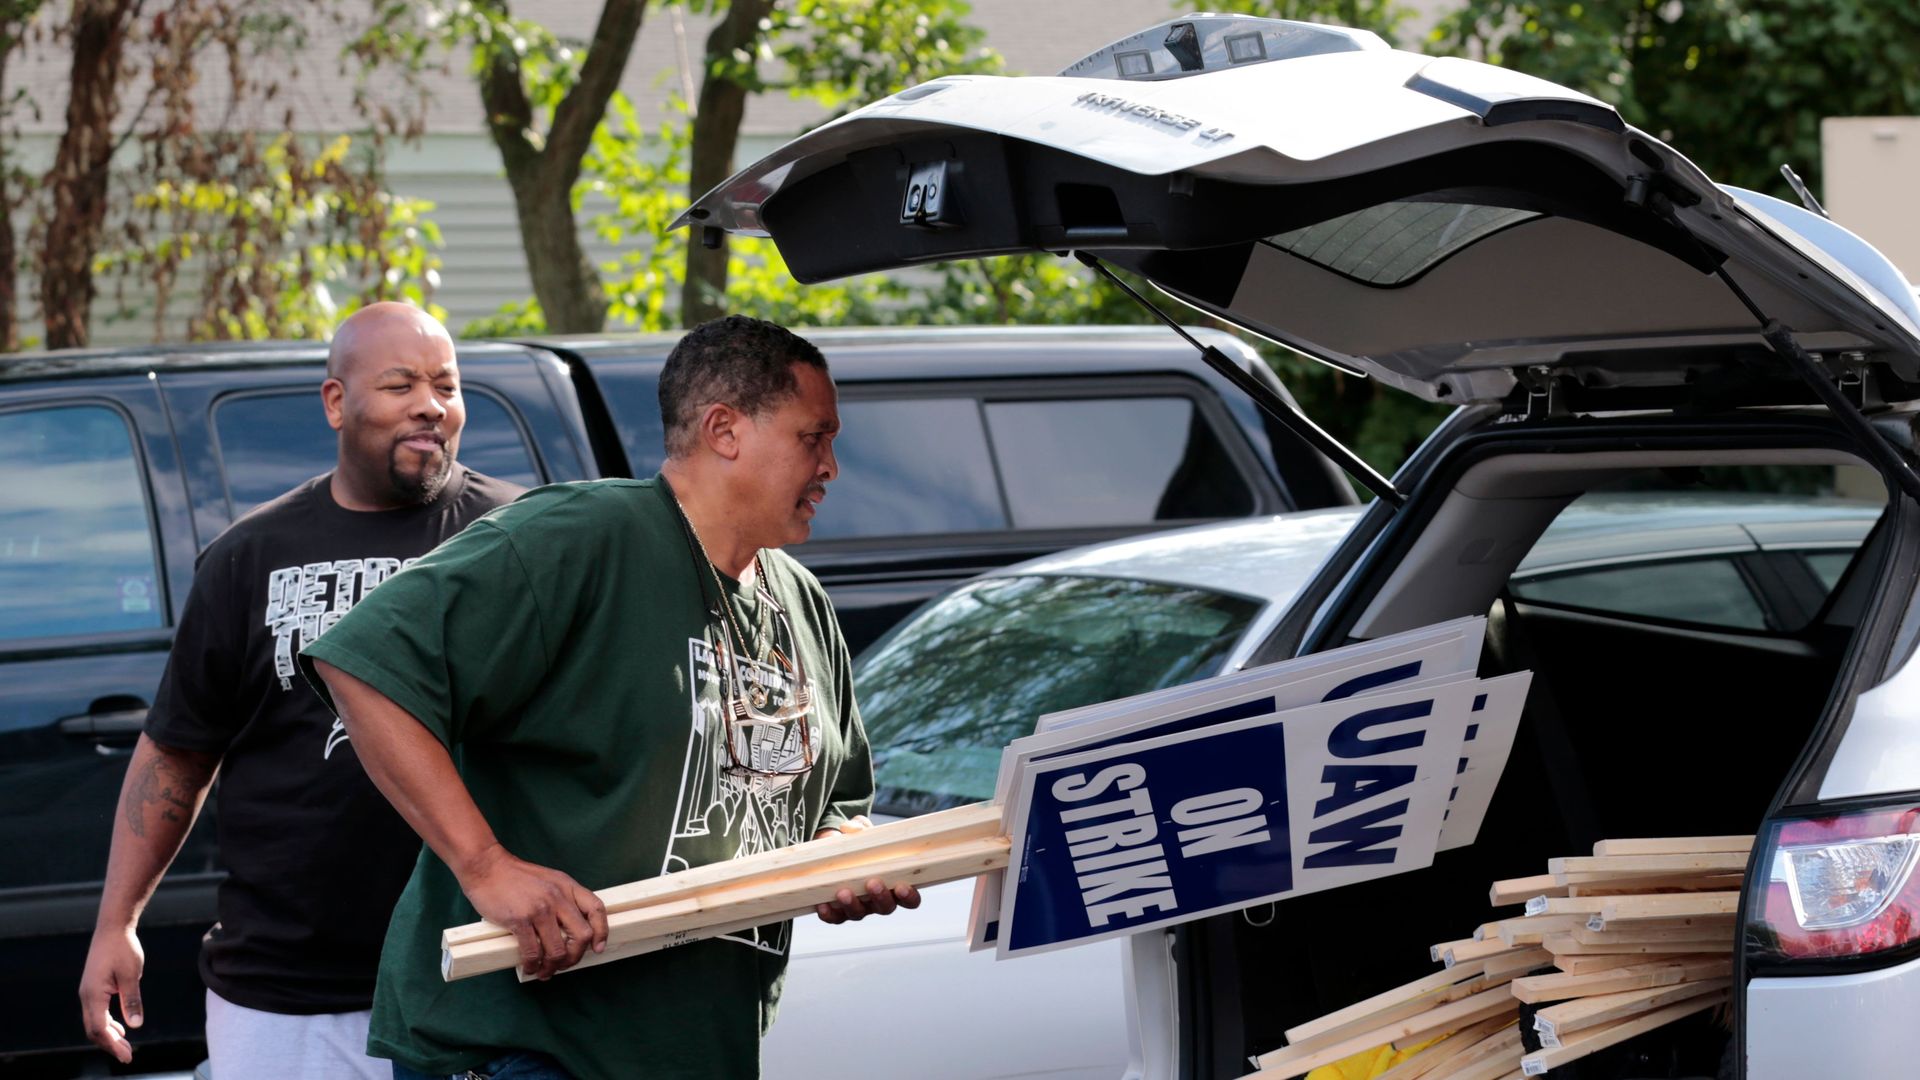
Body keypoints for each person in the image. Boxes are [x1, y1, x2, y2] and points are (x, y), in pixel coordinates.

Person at [302, 315, 918, 1080]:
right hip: (530, 1049)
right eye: (811, 437)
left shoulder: (801, 601)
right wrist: (486, 864)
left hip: (697, 1049)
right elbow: (365, 663)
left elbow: (836, 806)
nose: (830, 465)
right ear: (724, 429)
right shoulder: (583, 537)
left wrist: (840, 860)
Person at [77, 303, 525, 1077]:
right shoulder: (249, 557)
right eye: (399, 384)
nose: (430, 403)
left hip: (472, 971)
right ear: (336, 402)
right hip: (284, 992)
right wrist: (117, 921)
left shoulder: (513, 538)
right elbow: (179, 753)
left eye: (447, 386)